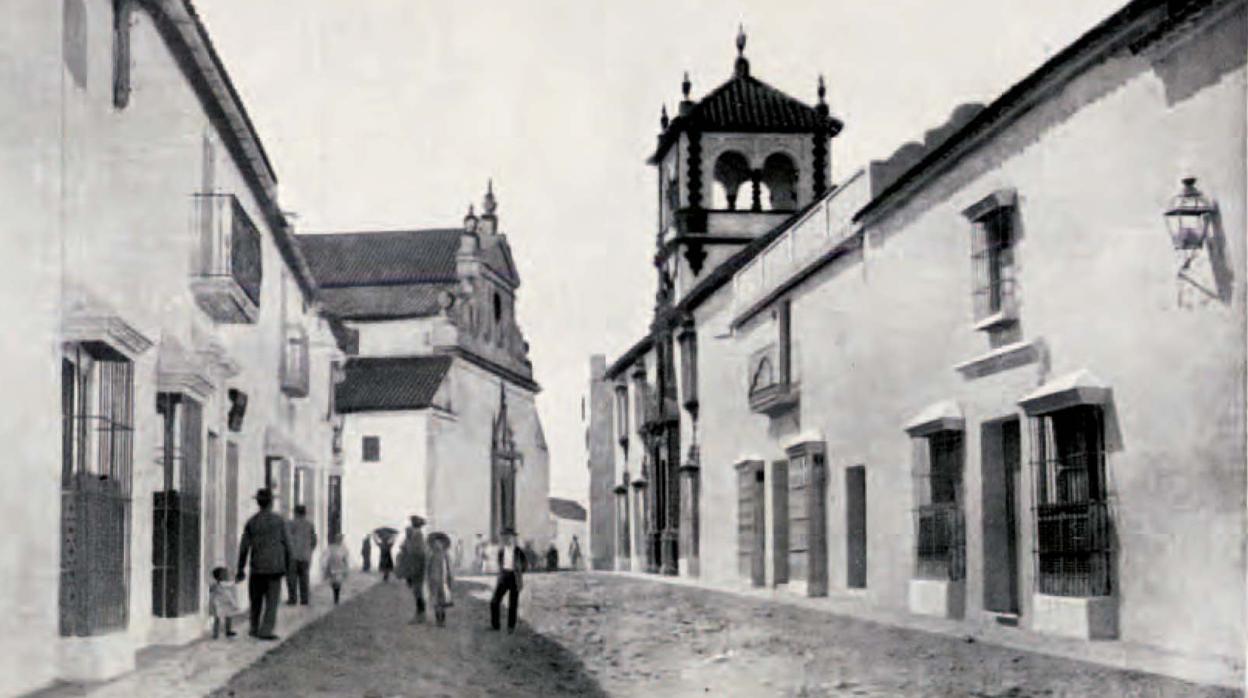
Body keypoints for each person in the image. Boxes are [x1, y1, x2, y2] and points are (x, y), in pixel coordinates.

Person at [236, 488, 291, 640]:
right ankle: (266, 630)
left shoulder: (252, 522)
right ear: (271, 503)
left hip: (257, 567)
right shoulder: (279, 521)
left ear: (258, 503)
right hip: (275, 568)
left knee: (255, 600)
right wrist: (288, 566)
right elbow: (288, 545)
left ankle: (254, 627)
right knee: (272, 601)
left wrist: (240, 568)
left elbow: (244, 547)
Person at [490, 528, 527, 633]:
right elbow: (500, 563)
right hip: (504, 576)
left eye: (509, 537)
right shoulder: (501, 551)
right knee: (494, 601)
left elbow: (525, 564)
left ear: (513, 538)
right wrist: (502, 574)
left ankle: (511, 627)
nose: (507, 539)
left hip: (514, 577)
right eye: (505, 537)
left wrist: (518, 571)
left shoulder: (519, 551)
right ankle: (495, 625)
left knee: (513, 604)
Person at [396, 516, 428, 623]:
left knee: (417, 590)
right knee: (416, 590)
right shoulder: (415, 534)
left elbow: (417, 552)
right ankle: (420, 613)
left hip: (416, 565)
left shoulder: (416, 535)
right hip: (414, 565)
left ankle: (420, 614)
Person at [285, 504, 318, 606]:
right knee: (304, 578)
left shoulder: (290, 523)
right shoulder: (310, 524)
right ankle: (304, 599)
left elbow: (287, 539)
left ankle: (292, 598)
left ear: (295, 512)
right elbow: (314, 540)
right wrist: (310, 550)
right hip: (305, 556)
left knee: (292, 578)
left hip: (293, 555)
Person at [426, 531, 454, 627]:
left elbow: (449, 567)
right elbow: (428, 568)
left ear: (443, 544)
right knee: (436, 601)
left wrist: (450, 577)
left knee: (443, 601)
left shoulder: (446, 555)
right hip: (434, 580)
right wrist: (428, 579)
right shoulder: (431, 555)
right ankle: (438, 619)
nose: (438, 545)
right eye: (436, 543)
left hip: (444, 580)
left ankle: (443, 618)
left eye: (440, 543)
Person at [209, 566, 239, 639]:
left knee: (224, 618)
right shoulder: (221, 584)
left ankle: (222, 632)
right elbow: (231, 584)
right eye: (224, 574)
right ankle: (220, 632)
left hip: (225, 603)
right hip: (220, 603)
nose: (226, 575)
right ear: (219, 577)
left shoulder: (217, 585)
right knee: (220, 618)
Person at [322, 533, 350, 605]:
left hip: (340, 568)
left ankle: (336, 598)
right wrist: (326, 567)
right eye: (338, 539)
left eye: (340, 539)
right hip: (332, 568)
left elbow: (346, 559)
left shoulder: (344, 549)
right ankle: (336, 596)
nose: (339, 540)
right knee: (333, 583)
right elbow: (326, 557)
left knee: (338, 583)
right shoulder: (331, 548)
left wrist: (346, 569)